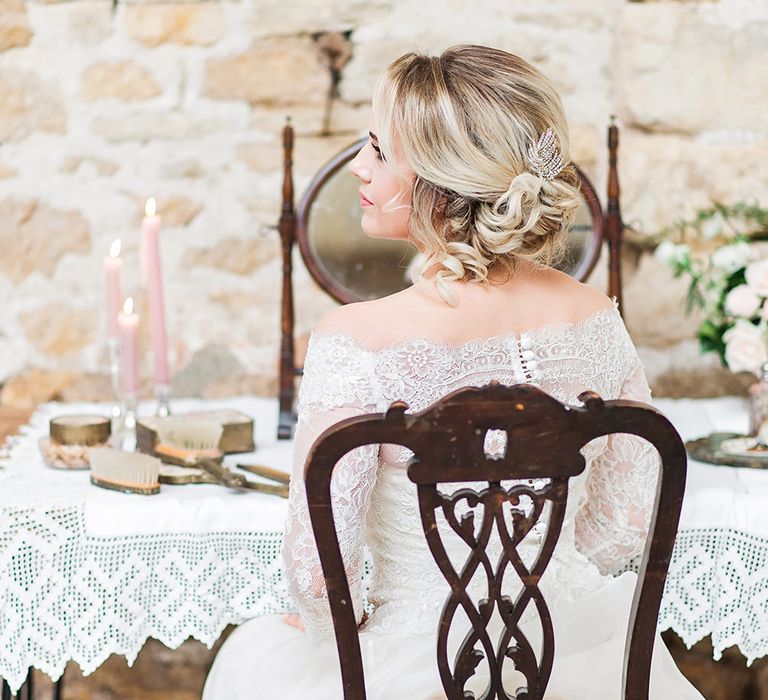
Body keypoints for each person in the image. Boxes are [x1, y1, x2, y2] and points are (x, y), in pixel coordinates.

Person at [203, 45, 703, 699]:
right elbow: (628, 513)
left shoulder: (356, 343)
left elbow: (318, 564)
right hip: (572, 656)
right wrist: (537, 586)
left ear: (444, 181)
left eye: (379, 151)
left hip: (416, 666)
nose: (358, 165)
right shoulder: (595, 318)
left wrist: (365, 618)